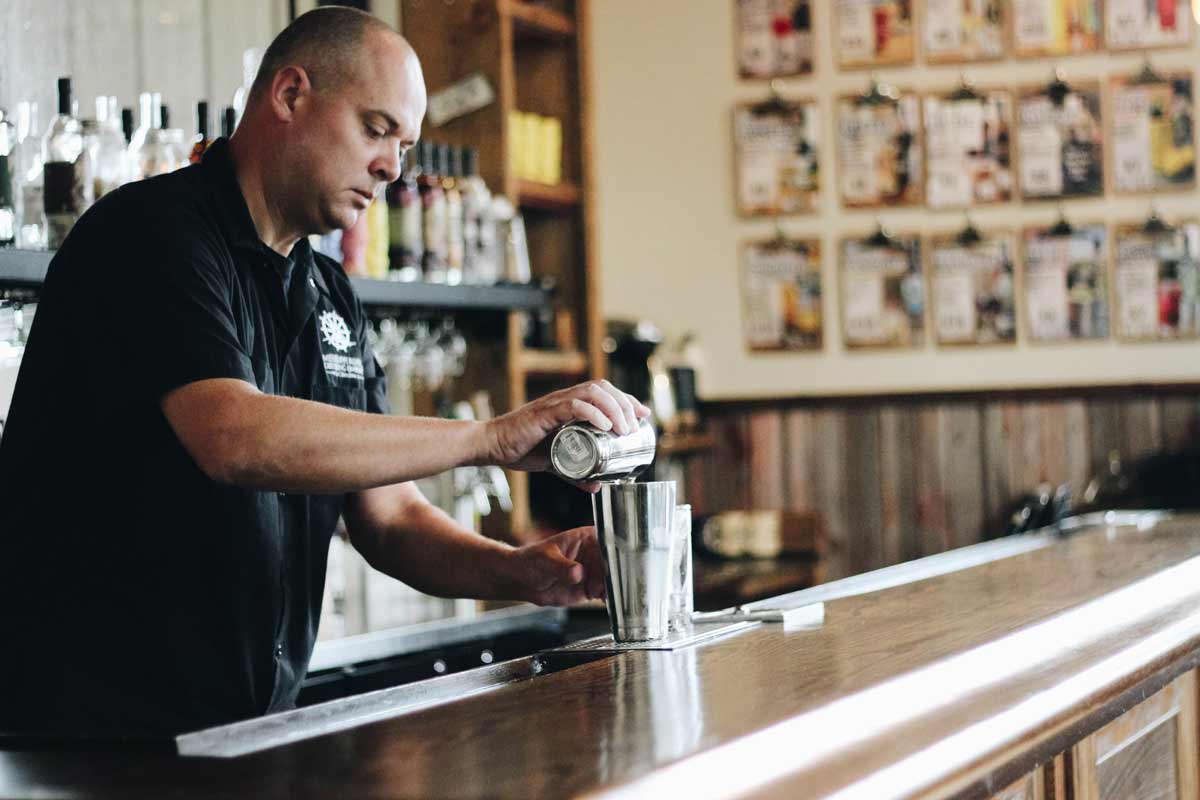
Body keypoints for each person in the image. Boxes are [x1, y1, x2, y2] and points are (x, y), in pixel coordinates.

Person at [0, 7, 648, 738]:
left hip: (244, 733)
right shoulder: (151, 234)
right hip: (88, 736)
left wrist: (522, 572)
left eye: (404, 144)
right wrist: (490, 437)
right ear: (289, 95)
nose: (393, 167)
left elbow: (389, 517)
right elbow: (234, 438)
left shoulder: (331, 292)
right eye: (376, 129)